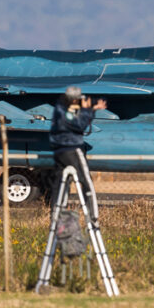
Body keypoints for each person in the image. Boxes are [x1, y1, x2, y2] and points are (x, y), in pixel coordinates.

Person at [49, 86, 106, 221]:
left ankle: (56, 214)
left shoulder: (59, 108)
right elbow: (79, 125)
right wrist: (89, 110)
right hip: (72, 149)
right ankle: (92, 215)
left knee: (61, 182)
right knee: (86, 181)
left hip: (59, 150)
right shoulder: (68, 111)